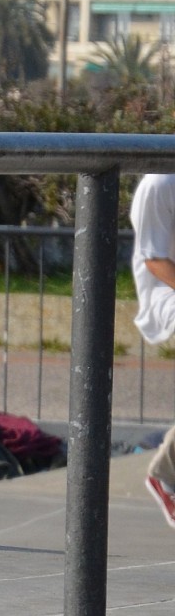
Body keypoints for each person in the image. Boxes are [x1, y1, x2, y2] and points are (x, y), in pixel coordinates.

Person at [131, 172, 175, 527]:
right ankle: (165, 474)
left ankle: (166, 470)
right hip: (165, 293)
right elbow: (155, 260)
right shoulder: (159, 183)